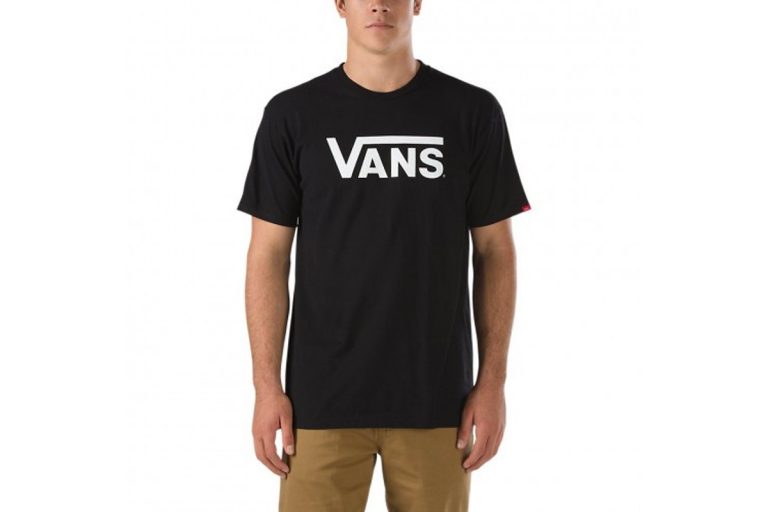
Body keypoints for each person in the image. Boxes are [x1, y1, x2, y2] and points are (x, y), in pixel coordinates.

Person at [236, 1, 532, 510]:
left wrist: (492, 384)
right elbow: (267, 257)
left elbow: (494, 251)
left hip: (438, 401)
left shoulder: (472, 111)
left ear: (417, 3)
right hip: (319, 403)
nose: (378, 4)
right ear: (340, 4)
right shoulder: (292, 114)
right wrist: (266, 387)